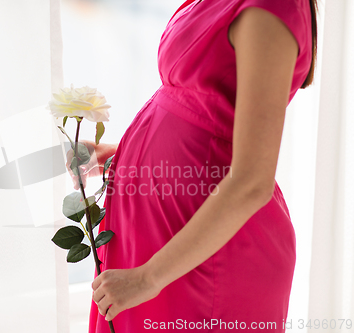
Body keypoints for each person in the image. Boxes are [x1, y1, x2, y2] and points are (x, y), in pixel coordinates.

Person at [66, 0, 318, 331]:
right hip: (167, 244)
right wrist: (123, 157)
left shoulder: (272, 6)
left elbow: (252, 181)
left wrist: (148, 278)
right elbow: (204, 118)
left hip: (205, 261)